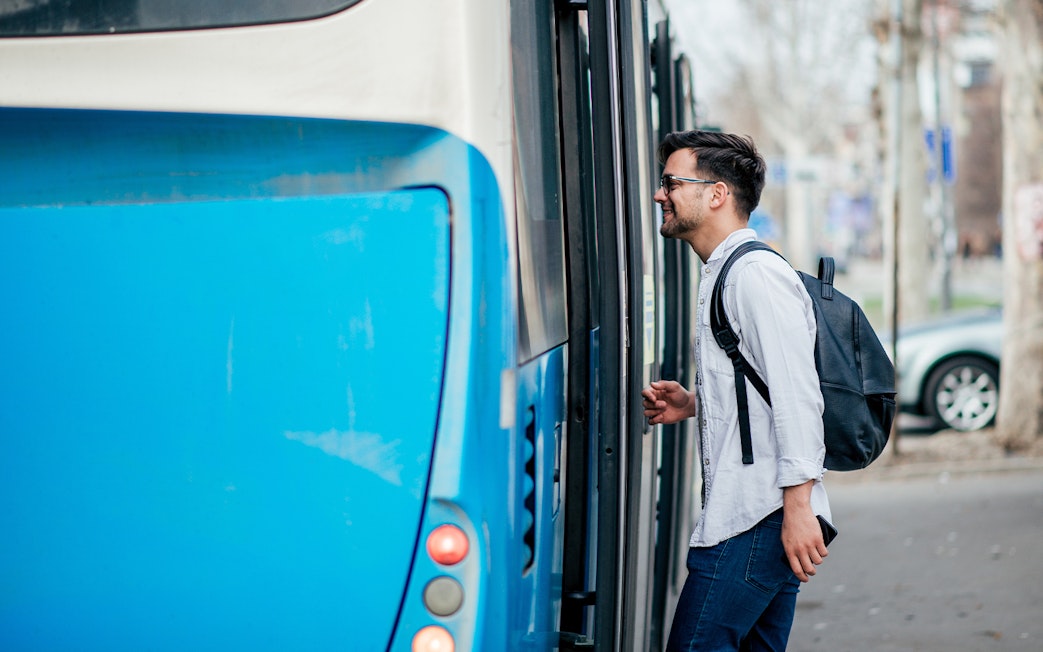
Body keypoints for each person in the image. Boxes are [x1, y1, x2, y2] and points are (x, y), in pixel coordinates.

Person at [642, 130, 830, 651]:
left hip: (757, 517)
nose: (660, 194)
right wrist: (696, 404)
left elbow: (798, 395)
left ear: (717, 194)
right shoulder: (727, 271)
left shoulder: (753, 276)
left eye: (671, 182)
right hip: (762, 516)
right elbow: (764, 386)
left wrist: (798, 507)